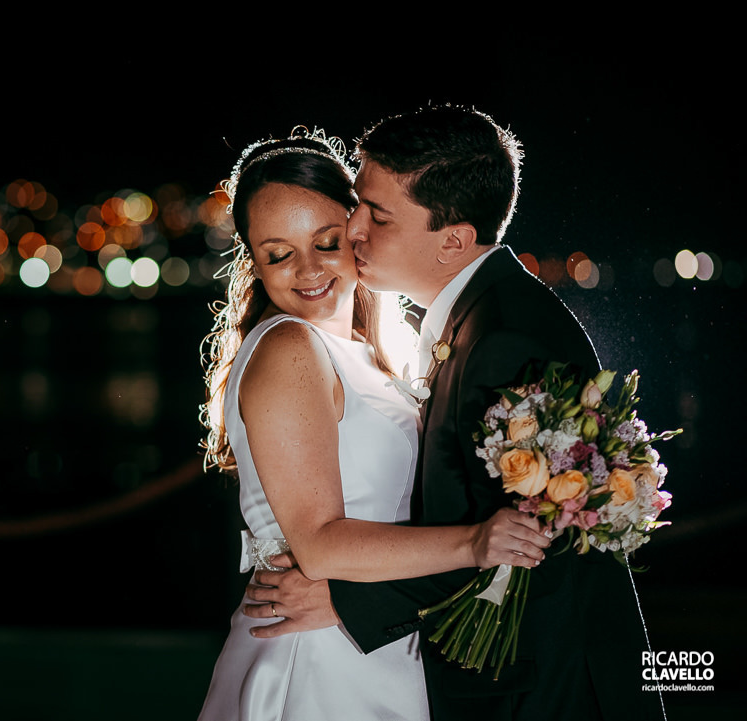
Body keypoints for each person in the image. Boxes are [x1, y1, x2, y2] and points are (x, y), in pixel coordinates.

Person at [245, 107, 665, 720]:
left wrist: (348, 601)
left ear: (453, 240)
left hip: (545, 689)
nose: (353, 227)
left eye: (377, 214)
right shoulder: (473, 320)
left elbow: (533, 537)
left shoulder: (506, 336)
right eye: (358, 205)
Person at [196, 128, 550, 721]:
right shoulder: (289, 347)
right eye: (278, 254)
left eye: (326, 241)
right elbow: (319, 544)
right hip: (318, 661)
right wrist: (474, 543)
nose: (308, 269)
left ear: (356, 228)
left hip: (378, 638)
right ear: (253, 263)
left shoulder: (370, 352)